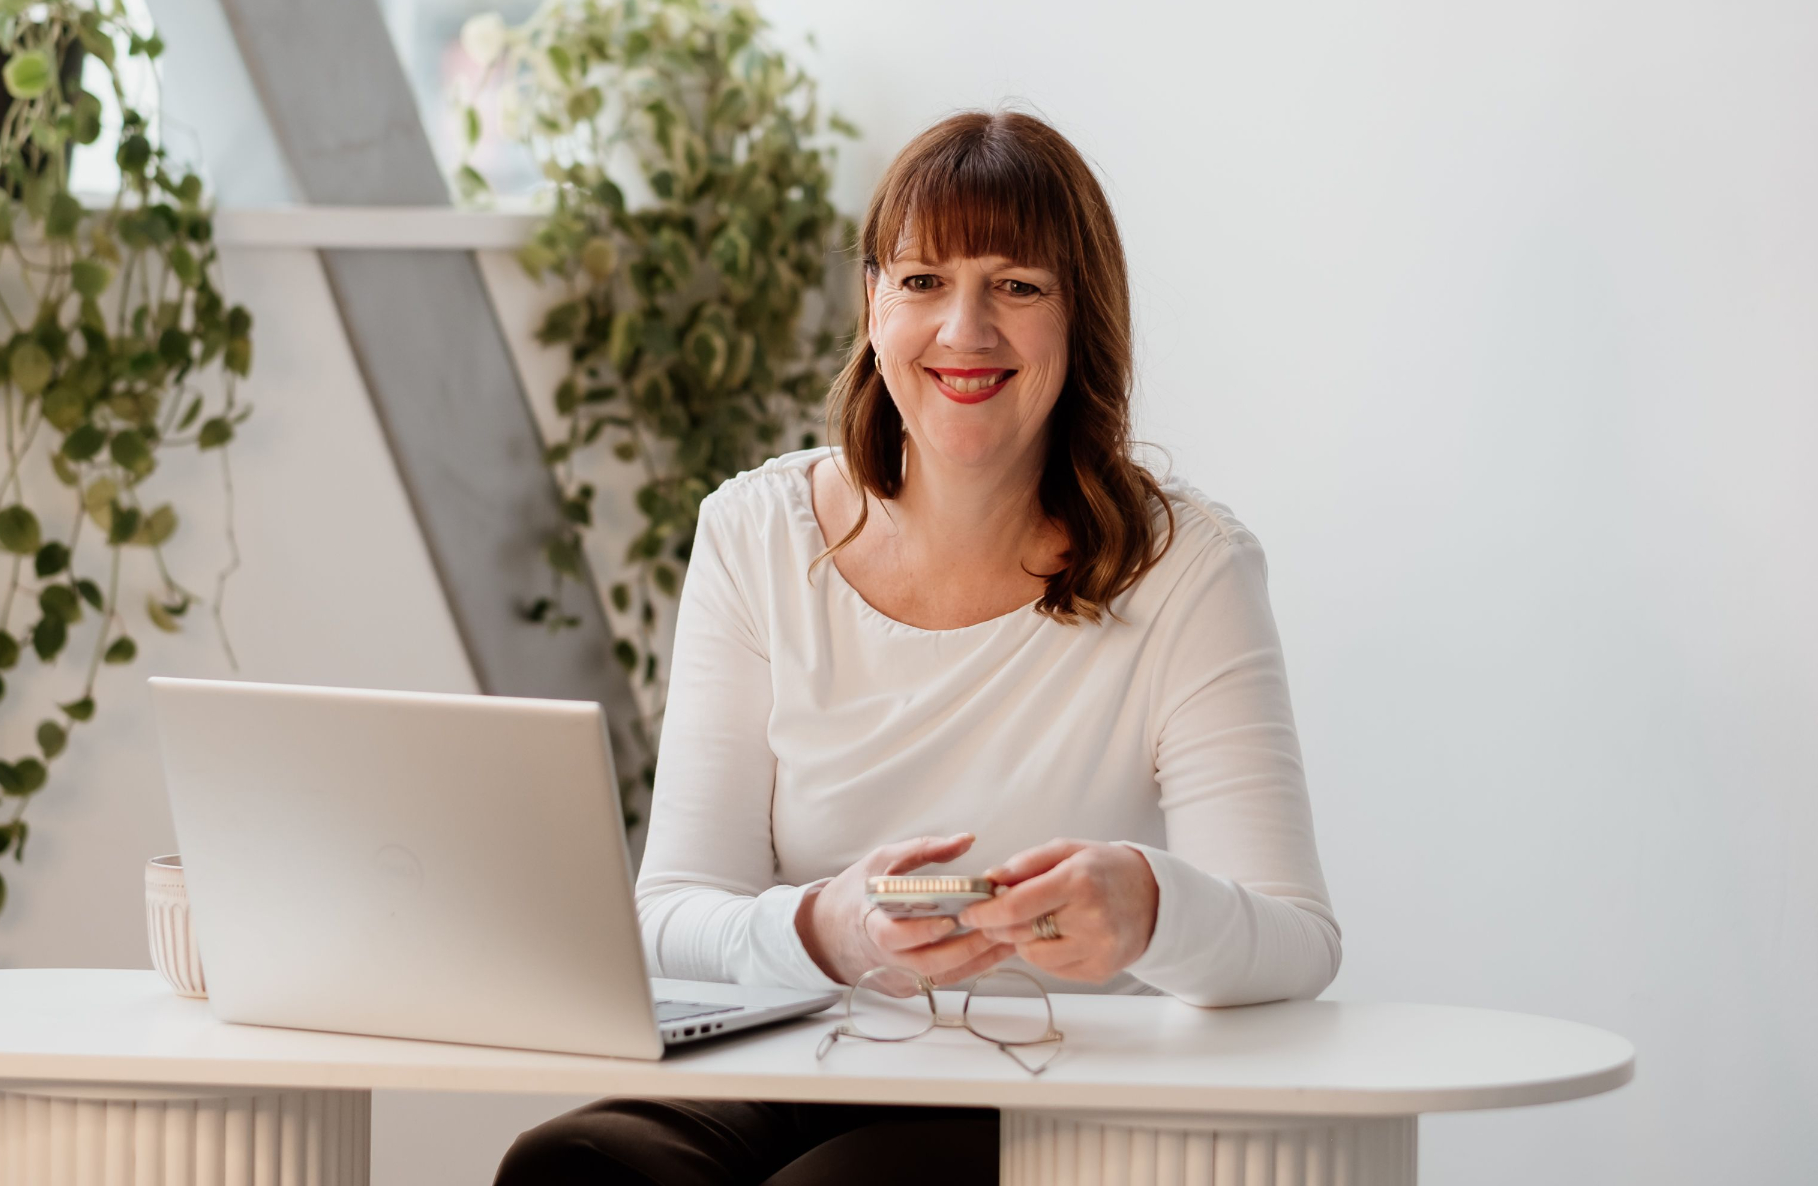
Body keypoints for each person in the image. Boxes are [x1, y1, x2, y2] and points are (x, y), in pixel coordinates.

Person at [496, 110, 1339, 1185]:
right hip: (803, 1050)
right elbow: (668, 917)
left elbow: (1298, 941)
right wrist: (830, 930)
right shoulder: (756, 534)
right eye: (924, 281)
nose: (964, 330)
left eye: (1017, 286)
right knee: (576, 1164)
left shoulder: (1186, 570)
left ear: (1082, 316)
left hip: (1054, 1074)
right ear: (874, 305)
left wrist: (1151, 908)